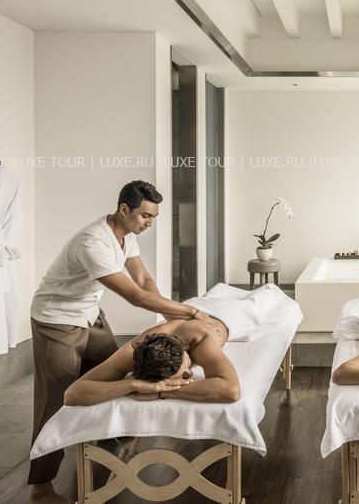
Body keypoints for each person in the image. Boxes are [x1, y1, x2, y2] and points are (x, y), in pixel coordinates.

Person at [28, 180, 209, 504]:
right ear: (124, 209)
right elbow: (135, 296)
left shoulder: (126, 235)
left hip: (89, 315)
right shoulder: (92, 243)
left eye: (154, 217)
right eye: (145, 216)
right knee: (55, 401)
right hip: (56, 320)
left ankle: (108, 437)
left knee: (117, 370)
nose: (149, 223)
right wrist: (189, 312)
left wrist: (171, 318)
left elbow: (144, 280)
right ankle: (40, 489)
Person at [63, 318, 240, 406]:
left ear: (184, 348)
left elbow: (231, 390)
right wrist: (133, 385)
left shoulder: (200, 341)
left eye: (186, 368)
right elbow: (72, 394)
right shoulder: (134, 352)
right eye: (184, 374)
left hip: (222, 315)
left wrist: (163, 392)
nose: (190, 373)